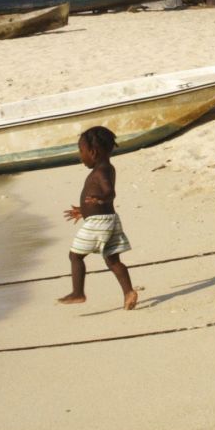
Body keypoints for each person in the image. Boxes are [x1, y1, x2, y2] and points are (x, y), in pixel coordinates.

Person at [59, 126, 138, 309]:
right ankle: (129, 292)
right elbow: (102, 196)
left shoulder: (100, 172)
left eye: (81, 151)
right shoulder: (107, 168)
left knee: (75, 256)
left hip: (99, 223)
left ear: (93, 152)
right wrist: (84, 210)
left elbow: (110, 192)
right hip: (109, 219)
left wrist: (100, 199)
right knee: (112, 260)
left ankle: (78, 293)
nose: (80, 156)